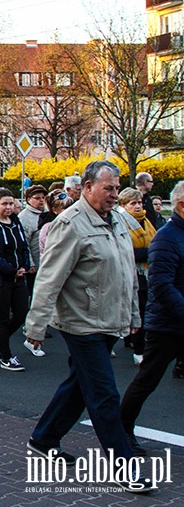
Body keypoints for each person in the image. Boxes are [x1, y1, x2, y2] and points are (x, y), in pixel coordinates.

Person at [24, 161, 144, 493]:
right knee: (104, 392)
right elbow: (49, 278)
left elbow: (126, 272)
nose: (114, 194)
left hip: (108, 318)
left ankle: (44, 438)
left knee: (80, 384)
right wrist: (35, 325)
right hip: (81, 322)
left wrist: (133, 315)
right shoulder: (70, 224)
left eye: (117, 188)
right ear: (88, 187)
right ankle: (124, 466)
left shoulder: (117, 218)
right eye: (109, 188)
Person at [120, 181, 184, 457]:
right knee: (147, 380)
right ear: (181, 205)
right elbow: (161, 285)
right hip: (167, 325)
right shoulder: (167, 237)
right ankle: (122, 430)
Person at [0, 188, 33, 371]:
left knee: (21, 312)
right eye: (5, 204)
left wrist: (25, 264)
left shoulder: (15, 222)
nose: (9, 207)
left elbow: (23, 246)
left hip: (18, 275)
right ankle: (6, 355)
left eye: (11, 204)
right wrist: (11, 271)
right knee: (2, 316)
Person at [116, 188, 156, 366]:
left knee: (144, 308)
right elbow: (124, 250)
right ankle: (138, 348)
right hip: (131, 271)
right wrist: (149, 253)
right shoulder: (121, 222)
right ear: (123, 205)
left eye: (139, 202)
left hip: (147, 272)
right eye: (133, 203)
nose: (138, 206)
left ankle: (131, 339)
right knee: (137, 309)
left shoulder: (146, 221)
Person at [18, 185, 47, 299]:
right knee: (34, 294)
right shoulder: (24, 217)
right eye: (37, 198)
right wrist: (30, 263)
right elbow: (24, 242)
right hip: (35, 263)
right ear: (29, 200)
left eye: (43, 197)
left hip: (46, 261)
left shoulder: (47, 213)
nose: (41, 200)